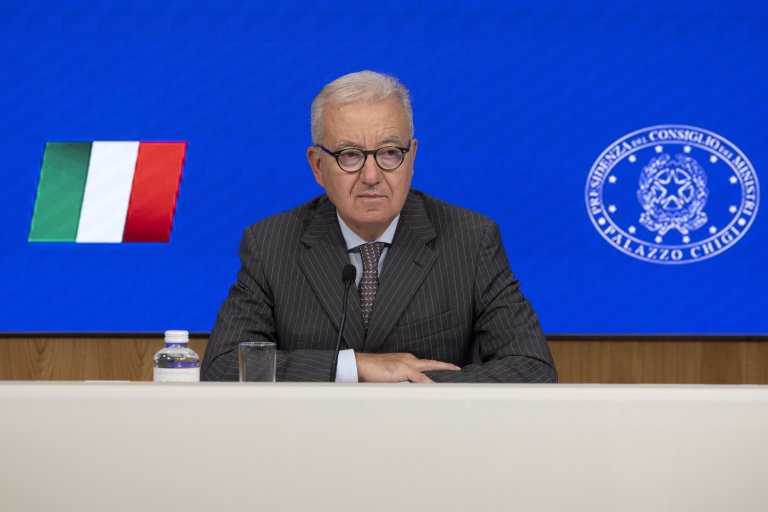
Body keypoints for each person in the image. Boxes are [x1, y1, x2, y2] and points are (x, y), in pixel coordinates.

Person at [201, 70, 557, 383]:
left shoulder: (470, 239)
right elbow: (222, 365)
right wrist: (354, 368)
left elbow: (532, 367)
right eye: (350, 155)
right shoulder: (271, 243)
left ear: (412, 157)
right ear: (318, 166)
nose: (371, 176)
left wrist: (409, 384)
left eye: (389, 153)